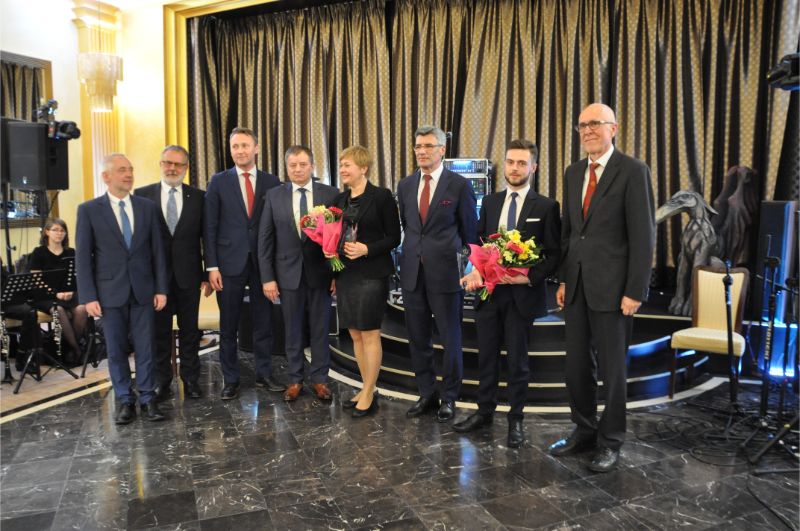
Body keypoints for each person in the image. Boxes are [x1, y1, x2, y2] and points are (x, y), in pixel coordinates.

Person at [548, 103, 655, 472]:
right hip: (577, 287)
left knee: (612, 371)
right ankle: (584, 430)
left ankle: (610, 441)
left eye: (595, 123)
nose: (588, 130)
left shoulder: (633, 171)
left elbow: (643, 235)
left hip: (615, 290)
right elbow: (569, 233)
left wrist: (636, 290)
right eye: (582, 125)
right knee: (576, 367)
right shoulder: (573, 172)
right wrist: (564, 278)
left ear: (614, 128)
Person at [454, 139, 561, 447]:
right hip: (489, 294)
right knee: (486, 357)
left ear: (533, 168)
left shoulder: (547, 207)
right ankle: (484, 412)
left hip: (521, 298)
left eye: (522, 163)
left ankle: (516, 420)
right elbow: (478, 243)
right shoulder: (490, 202)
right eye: (511, 162)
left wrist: (527, 277)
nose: (515, 168)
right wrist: (475, 269)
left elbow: (554, 254)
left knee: (517, 362)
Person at [76, 153, 169, 424]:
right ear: (106, 176)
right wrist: (88, 296)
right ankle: (125, 400)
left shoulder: (147, 207)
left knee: (146, 347)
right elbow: (83, 257)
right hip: (109, 293)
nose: (128, 175)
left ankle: (148, 399)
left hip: (143, 290)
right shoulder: (89, 210)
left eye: (130, 169)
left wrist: (161, 288)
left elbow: (158, 252)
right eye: (121, 170)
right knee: (116, 349)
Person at [397, 125, 477, 422]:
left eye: (428, 146)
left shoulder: (459, 185)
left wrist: (466, 268)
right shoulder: (405, 185)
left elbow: (470, 234)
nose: (421, 151)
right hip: (412, 275)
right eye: (418, 146)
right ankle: (427, 393)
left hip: (446, 276)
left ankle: (450, 397)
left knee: (450, 339)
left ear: (442, 150)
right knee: (418, 338)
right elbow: (408, 226)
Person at [204, 127, 282, 400]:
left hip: (263, 264)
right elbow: (209, 226)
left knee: (264, 322)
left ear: (256, 148)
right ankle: (231, 379)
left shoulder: (272, 182)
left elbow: (276, 226)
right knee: (229, 325)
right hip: (227, 265)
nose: (240, 151)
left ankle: (264, 374)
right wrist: (212, 266)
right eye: (235, 146)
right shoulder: (218, 181)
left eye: (245, 145)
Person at [258, 145, 338, 403]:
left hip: (321, 274)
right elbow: (265, 239)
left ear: (312, 166)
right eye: (292, 165)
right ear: (287, 167)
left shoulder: (331, 194)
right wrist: (267, 277)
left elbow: (338, 237)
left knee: (320, 329)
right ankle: (295, 379)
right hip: (287, 274)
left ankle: (320, 379)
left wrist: (336, 273)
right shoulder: (274, 196)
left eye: (303, 164)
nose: (298, 169)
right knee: (292, 329)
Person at [135, 145, 209, 400]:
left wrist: (208, 272)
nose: (172, 168)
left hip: (189, 275)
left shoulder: (199, 197)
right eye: (168, 163)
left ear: (186, 168)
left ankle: (191, 380)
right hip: (157, 280)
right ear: (161, 164)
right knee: (159, 333)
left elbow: (207, 237)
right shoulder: (142, 195)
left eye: (178, 164)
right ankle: (162, 381)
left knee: (190, 332)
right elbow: (140, 241)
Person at [332, 146, 401, 418]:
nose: (342, 169)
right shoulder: (339, 199)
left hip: (372, 273)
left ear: (363, 168)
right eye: (341, 165)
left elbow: (394, 237)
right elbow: (334, 236)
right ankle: (365, 387)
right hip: (347, 274)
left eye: (347, 165)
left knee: (370, 332)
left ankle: (370, 392)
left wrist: (367, 249)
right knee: (355, 334)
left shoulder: (381, 196)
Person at [28, 218, 88, 364]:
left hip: (68, 294)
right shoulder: (39, 252)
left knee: (82, 309)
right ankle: (76, 350)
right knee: (58, 310)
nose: (59, 233)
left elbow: (75, 277)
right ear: (47, 232)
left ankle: (67, 349)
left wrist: (71, 292)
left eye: (62, 230)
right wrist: (56, 293)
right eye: (55, 230)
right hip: (46, 295)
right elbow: (37, 280)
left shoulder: (71, 252)